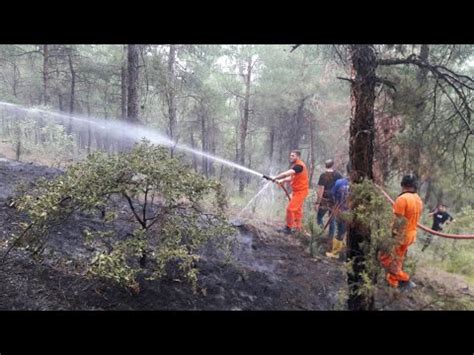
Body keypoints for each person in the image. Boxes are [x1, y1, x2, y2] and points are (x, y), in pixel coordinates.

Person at [379, 175, 423, 290]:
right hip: (411, 234)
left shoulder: (402, 199)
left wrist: (392, 237)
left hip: (400, 235)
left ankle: (405, 279)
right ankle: (392, 283)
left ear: (403, 185)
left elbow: (398, 220)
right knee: (397, 259)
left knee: (385, 259)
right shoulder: (418, 199)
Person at [272, 150, 309, 234]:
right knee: (297, 210)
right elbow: (291, 177)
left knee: (290, 209)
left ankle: (288, 228)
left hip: (301, 192)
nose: (291, 157)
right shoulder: (296, 166)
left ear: (298, 157)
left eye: (293, 156)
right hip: (297, 191)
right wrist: (283, 180)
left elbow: (287, 173)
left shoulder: (299, 166)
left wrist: (276, 177)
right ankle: (297, 228)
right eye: (290, 155)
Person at [326, 163, 351, 259]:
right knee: (345, 233)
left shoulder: (340, 182)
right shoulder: (358, 185)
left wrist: (336, 204)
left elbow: (332, 195)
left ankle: (336, 253)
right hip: (352, 213)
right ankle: (342, 253)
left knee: (340, 232)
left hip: (340, 211)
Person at [314, 159, 343, 240]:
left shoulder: (323, 175)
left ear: (325, 165)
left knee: (319, 217)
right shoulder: (338, 175)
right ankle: (330, 239)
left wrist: (317, 202)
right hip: (335, 200)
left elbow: (321, 189)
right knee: (332, 219)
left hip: (325, 199)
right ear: (333, 165)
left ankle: (321, 234)